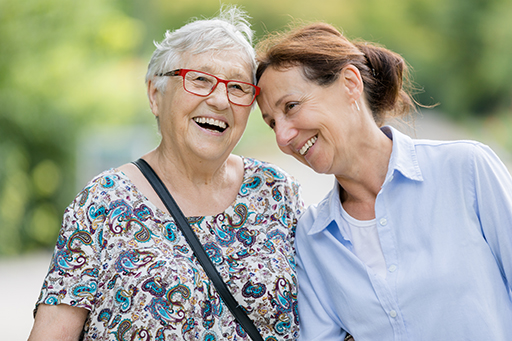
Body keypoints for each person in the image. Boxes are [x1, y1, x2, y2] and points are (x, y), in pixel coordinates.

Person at [28, 6, 304, 341]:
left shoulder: (277, 193)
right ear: (155, 94)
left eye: (238, 87)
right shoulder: (102, 204)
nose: (220, 99)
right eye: (200, 79)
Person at [255, 22, 512, 340]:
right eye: (271, 124)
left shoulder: (466, 170)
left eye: (291, 107)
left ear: (350, 83)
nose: (283, 136)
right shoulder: (314, 236)